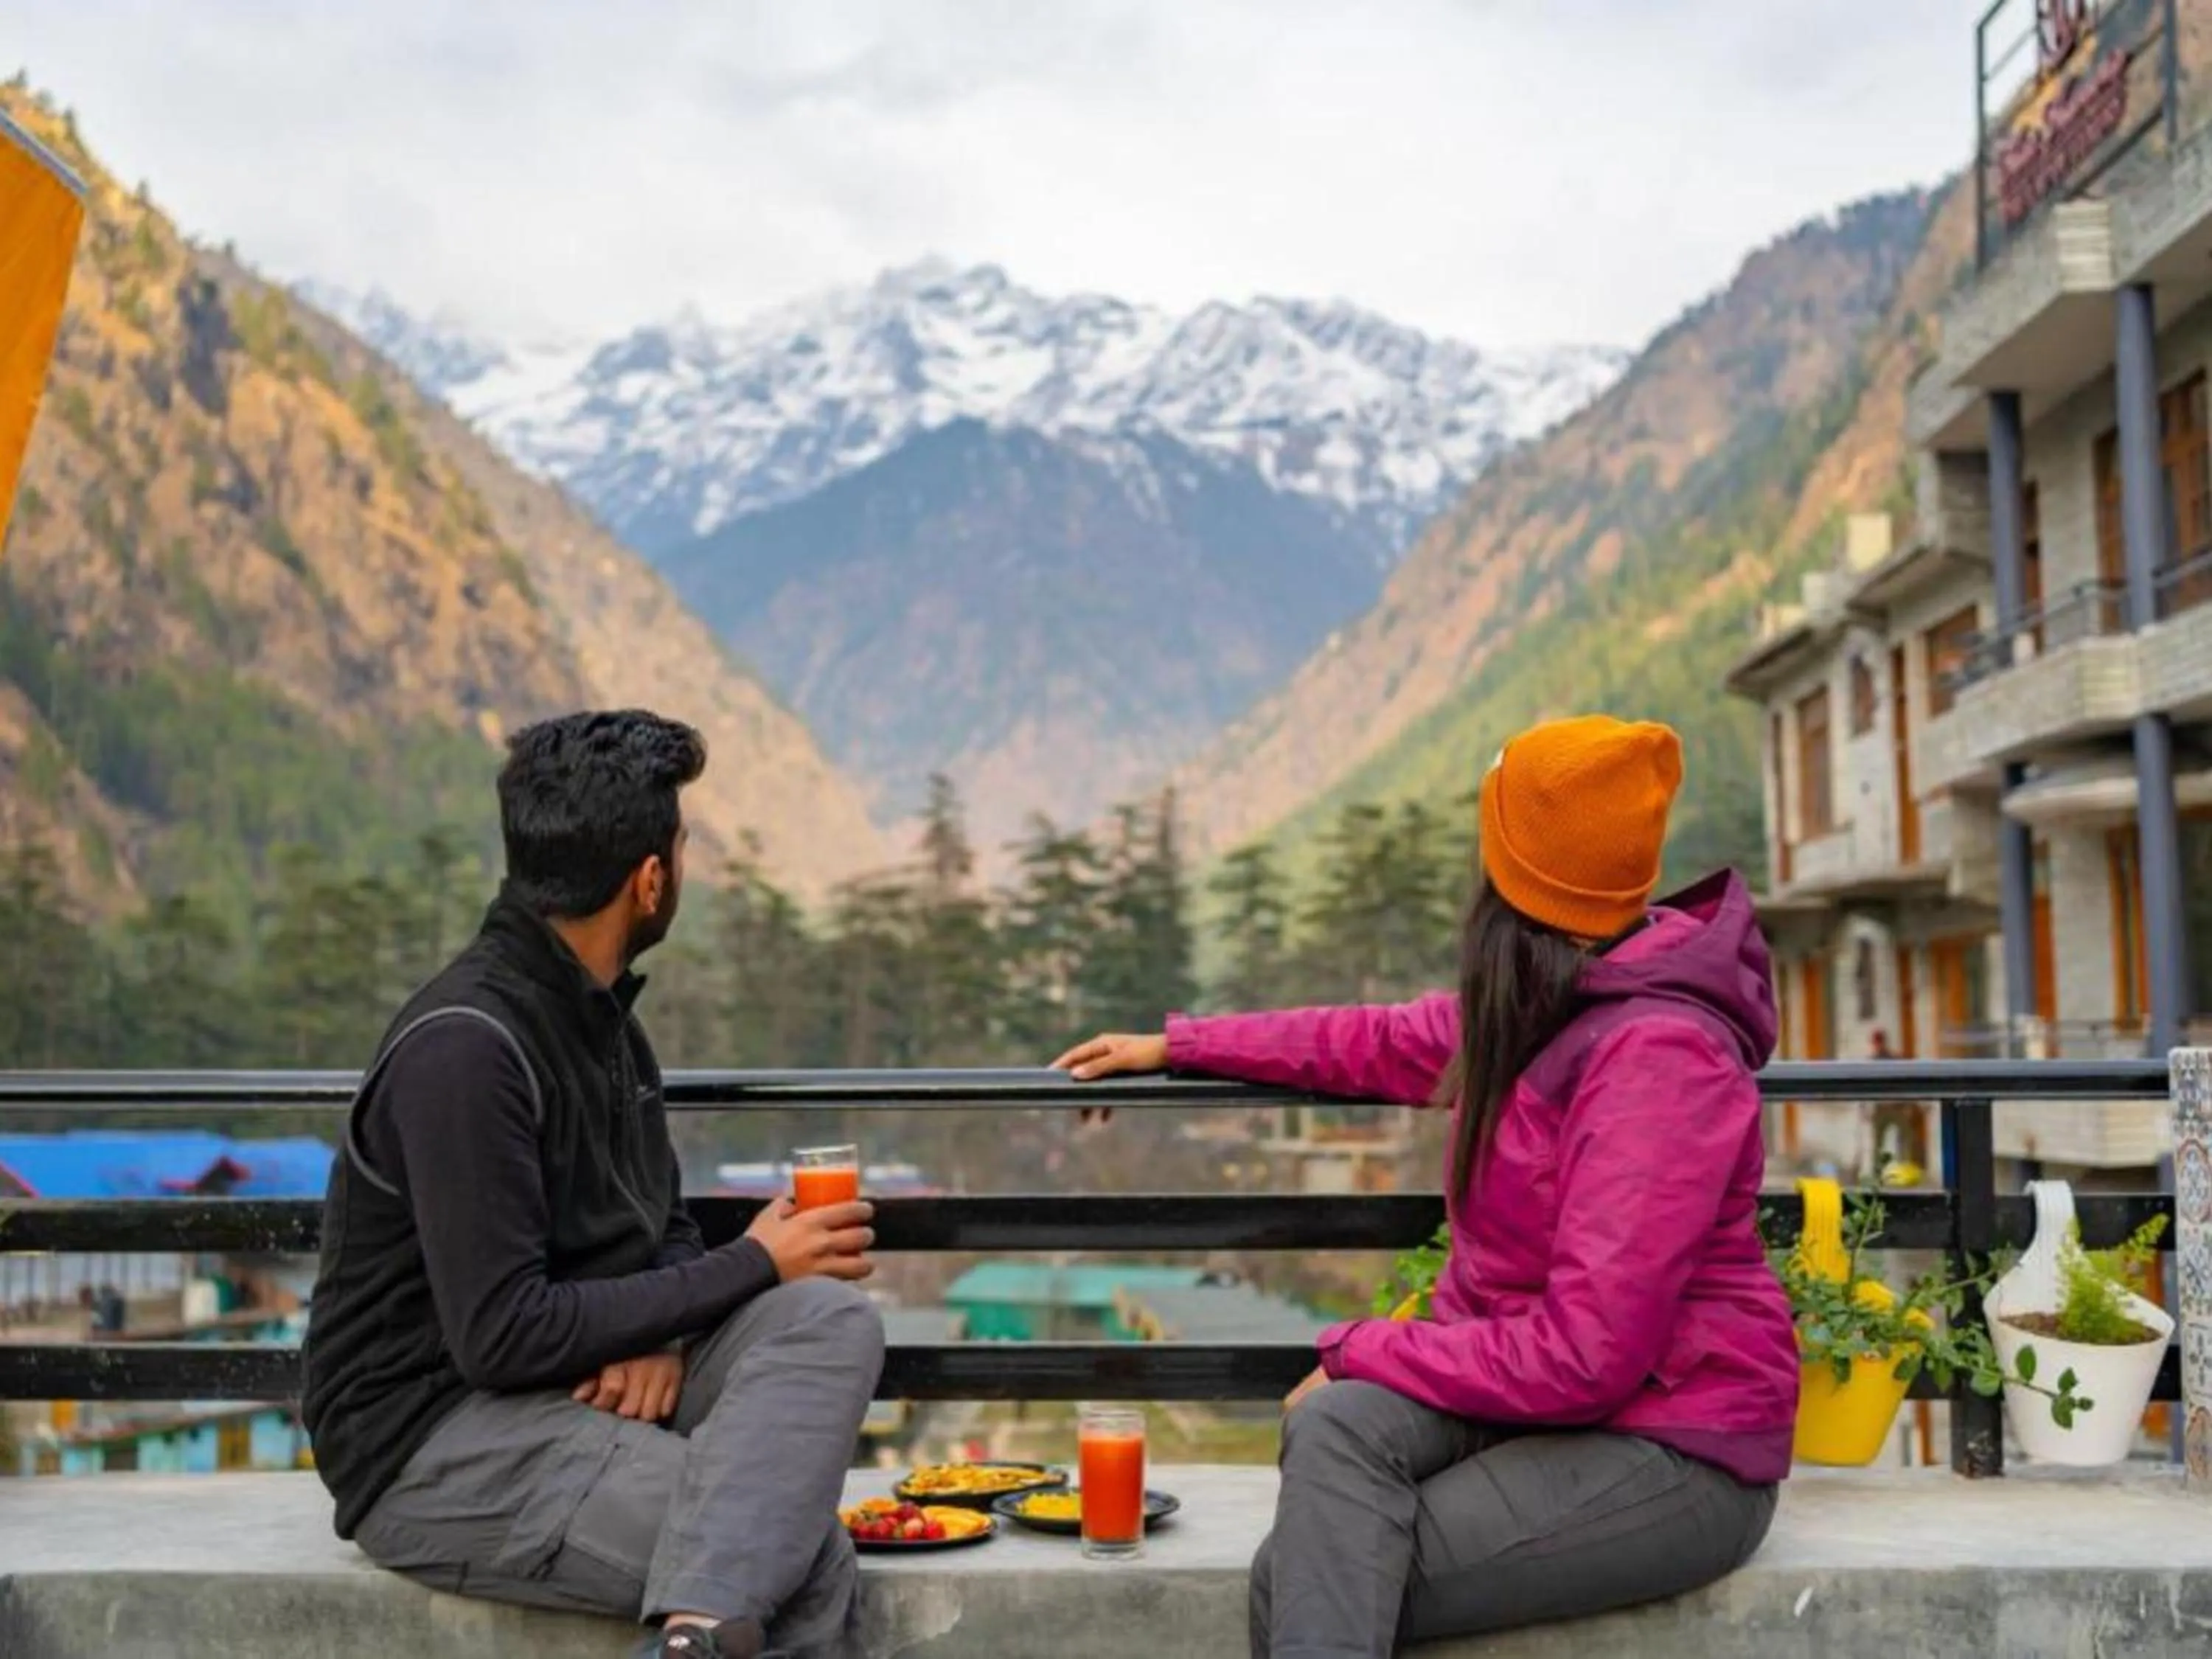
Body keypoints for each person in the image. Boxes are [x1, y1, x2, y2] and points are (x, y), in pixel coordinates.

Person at [1056, 715, 1798, 1658]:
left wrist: (1364, 1344)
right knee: (1337, 1427)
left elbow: (1586, 1356)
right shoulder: (1554, 992)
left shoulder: (1659, 1059)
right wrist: (1182, 1047)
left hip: (1673, 1444)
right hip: (1545, 1399)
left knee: (1305, 1575)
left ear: (1516, 871)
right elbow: (1372, 1040)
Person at [301, 711, 884, 1659]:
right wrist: (752, 1263)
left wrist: (668, 1324)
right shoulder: (467, 1049)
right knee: (796, 1557)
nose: (683, 869)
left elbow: (664, 1223)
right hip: (435, 1440)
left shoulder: (604, 1022)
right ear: (650, 879)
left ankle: (693, 1641)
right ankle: (701, 1635)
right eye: (684, 847)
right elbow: (498, 1336)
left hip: (576, 1384)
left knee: (829, 1319)